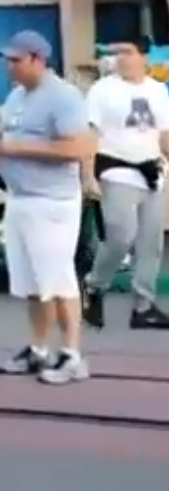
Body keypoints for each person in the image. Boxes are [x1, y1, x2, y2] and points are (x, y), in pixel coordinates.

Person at [0, 31, 95, 384]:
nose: (8, 67)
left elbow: (77, 148)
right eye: (7, 60)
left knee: (58, 280)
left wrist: (12, 150)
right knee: (32, 283)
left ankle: (73, 355)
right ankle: (38, 349)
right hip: (20, 198)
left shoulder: (63, 97)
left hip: (52, 202)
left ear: (37, 59)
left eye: (16, 60)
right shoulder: (16, 97)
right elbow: (11, 137)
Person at [82, 41, 169, 330]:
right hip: (117, 169)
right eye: (117, 53)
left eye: (128, 53)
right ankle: (95, 286)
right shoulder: (103, 90)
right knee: (121, 235)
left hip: (152, 170)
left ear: (144, 57)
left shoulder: (158, 90)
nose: (121, 59)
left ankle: (143, 305)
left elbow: (163, 135)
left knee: (151, 242)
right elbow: (91, 135)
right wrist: (87, 175)